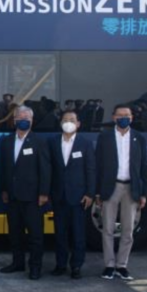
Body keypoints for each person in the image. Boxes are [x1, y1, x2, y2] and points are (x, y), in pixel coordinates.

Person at [95, 104, 147, 281]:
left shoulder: (139, 138)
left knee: (128, 230)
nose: (123, 118)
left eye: (127, 115)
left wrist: (143, 193)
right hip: (111, 187)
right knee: (108, 229)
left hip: (131, 188)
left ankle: (122, 266)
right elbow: (98, 166)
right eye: (120, 115)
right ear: (114, 117)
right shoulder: (105, 137)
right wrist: (97, 192)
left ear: (132, 118)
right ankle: (109, 265)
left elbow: (143, 167)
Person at [0, 106, 51, 280]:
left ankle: (35, 267)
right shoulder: (6, 141)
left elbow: (45, 169)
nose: (22, 120)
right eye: (19, 117)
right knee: (15, 233)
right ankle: (17, 263)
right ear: (13, 121)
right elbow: (4, 169)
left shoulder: (39, 141)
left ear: (31, 120)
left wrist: (43, 193)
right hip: (12, 196)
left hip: (33, 197)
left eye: (26, 117)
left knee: (35, 235)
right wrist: (4, 189)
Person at [49, 110, 96, 279]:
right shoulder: (53, 142)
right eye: (65, 119)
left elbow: (90, 170)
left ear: (78, 124)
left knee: (78, 234)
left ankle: (76, 265)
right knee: (60, 234)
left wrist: (90, 193)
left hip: (79, 197)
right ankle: (60, 265)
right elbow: (50, 170)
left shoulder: (85, 143)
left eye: (72, 120)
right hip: (59, 196)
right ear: (60, 123)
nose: (68, 122)